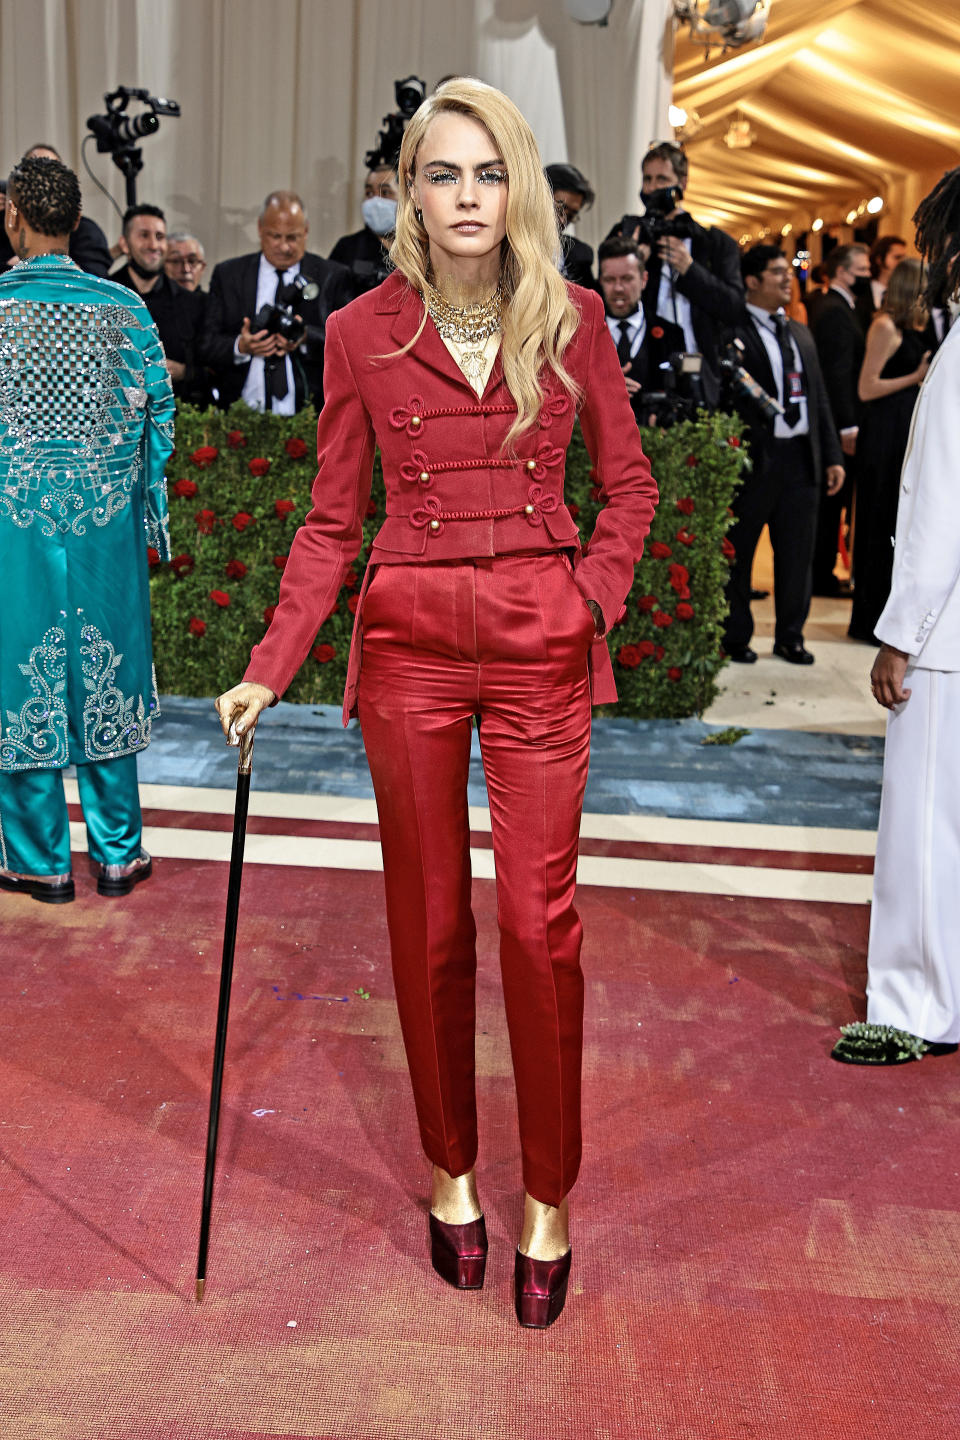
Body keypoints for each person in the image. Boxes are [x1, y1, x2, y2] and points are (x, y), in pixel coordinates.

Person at [214, 78, 657, 1328]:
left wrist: (589, 602)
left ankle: (550, 1199)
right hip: (406, 641)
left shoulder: (571, 319)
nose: (467, 197)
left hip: (538, 643)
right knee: (426, 927)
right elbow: (329, 518)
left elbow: (628, 490)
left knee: (537, 925)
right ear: (410, 190)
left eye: (487, 173)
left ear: (518, 185)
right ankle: (453, 1175)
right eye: (441, 174)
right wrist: (271, 660)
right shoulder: (359, 332)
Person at [0, 157, 174, 903]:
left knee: (18, 674)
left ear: (12, 216)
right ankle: (117, 853)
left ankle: (38, 862)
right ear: (76, 223)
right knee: (105, 672)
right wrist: (140, 502)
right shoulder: (125, 310)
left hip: (13, 524)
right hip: (102, 526)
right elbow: (160, 420)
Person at [832, 169, 960, 1067]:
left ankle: (915, 1005)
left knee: (924, 829)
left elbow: (939, 513)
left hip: (948, 635)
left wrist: (898, 633)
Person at [721, 245, 844, 665]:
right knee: (740, 551)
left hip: (801, 459)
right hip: (757, 460)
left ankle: (791, 636)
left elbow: (819, 398)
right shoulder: (733, 332)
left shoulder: (800, 332)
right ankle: (736, 635)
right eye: (776, 273)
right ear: (752, 281)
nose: (787, 279)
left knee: (797, 556)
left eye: (786, 272)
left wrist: (831, 456)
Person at [614, 141, 744, 406]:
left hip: (699, 370)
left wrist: (690, 271)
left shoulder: (715, 244)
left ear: (683, 182)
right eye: (647, 179)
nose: (652, 188)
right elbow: (606, 299)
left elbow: (735, 308)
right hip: (641, 371)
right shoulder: (628, 234)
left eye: (662, 179)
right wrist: (635, 262)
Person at [203, 190, 354, 413]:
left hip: (312, 416)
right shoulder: (229, 275)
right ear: (260, 229)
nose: (284, 247)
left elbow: (350, 344)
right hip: (241, 415)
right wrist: (241, 346)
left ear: (306, 231)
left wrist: (304, 337)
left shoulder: (332, 276)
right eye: (275, 236)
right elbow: (205, 344)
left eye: (292, 237)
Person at [847, 259, 930, 643]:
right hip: (883, 434)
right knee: (877, 526)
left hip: (905, 432)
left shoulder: (921, 326)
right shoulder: (885, 326)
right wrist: (914, 378)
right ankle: (867, 618)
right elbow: (867, 387)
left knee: (898, 527)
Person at [810, 242, 872, 595]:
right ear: (841, 272)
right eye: (861, 270)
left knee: (835, 502)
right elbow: (837, 374)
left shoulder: (842, 305)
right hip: (838, 423)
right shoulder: (834, 310)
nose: (867, 275)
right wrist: (847, 425)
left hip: (838, 421)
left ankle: (822, 571)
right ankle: (821, 575)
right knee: (832, 502)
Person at [113, 204, 210, 405]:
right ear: (124, 244)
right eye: (144, 235)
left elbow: (213, 370)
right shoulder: (104, 297)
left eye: (159, 237)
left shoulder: (193, 303)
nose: (154, 245)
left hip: (177, 420)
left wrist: (184, 372)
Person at [597, 235, 685, 424]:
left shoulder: (672, 334)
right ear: (600, 282)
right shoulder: (582, 335)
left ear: (644, 279)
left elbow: (685, 399)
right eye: (610, 280)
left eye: (627, 279)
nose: (618, 288)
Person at [0, 143, 112, 276]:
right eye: (34, 172)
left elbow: (97, 273)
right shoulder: (121, 297)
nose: (43, 181)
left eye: (52, 171)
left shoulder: (88, 234)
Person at [329, 163, 399, 293]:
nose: (375, 201)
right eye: (369, 193)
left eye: (385, 192)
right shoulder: (347, 248)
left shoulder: (421, 248)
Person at [545, 162, 596, 289]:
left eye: (571, 215)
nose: (563, 220)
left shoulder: (580, 256)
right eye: (558, 209)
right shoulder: (506, 248)